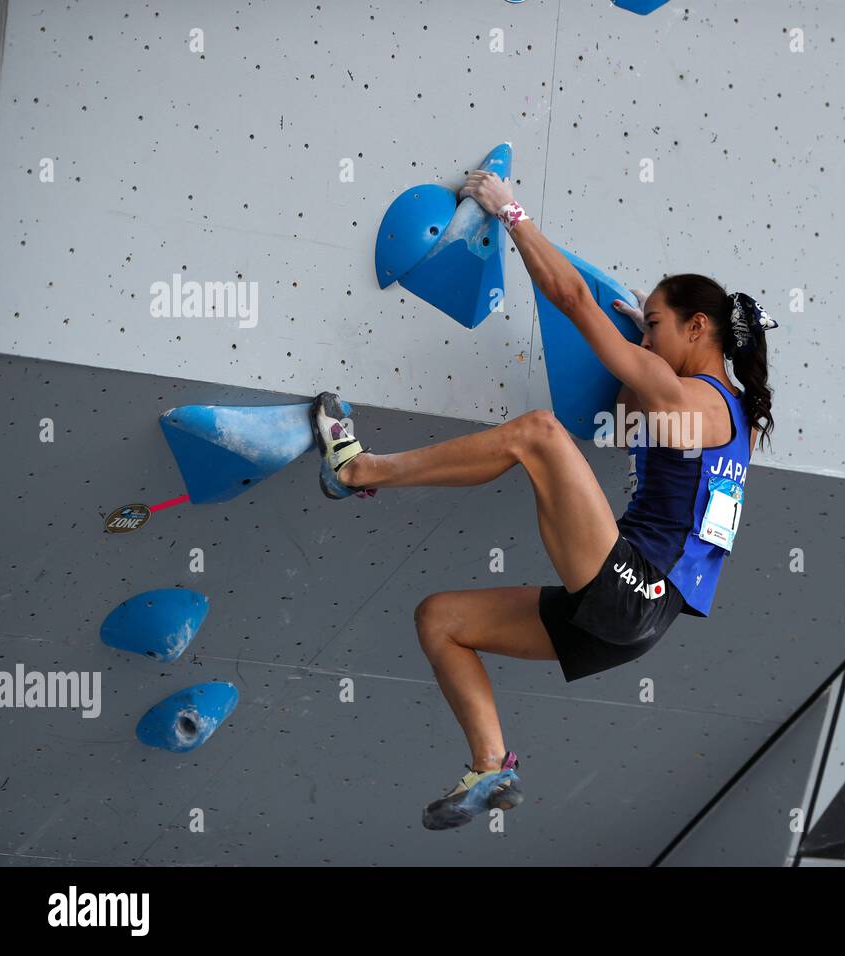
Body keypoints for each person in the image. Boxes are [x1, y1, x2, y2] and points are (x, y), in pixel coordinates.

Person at [309, 169, 777, 830]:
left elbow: (571, 297)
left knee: (537, 435)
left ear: (699, 327)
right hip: (637, 621)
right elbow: (629, 419)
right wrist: (644, 345)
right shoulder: (732, 420)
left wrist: (510, 211)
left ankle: (359, 470)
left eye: (654, 324)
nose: (644, 338)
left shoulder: (689, 396)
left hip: (633, 587)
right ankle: (491, 764)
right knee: (439, 619)